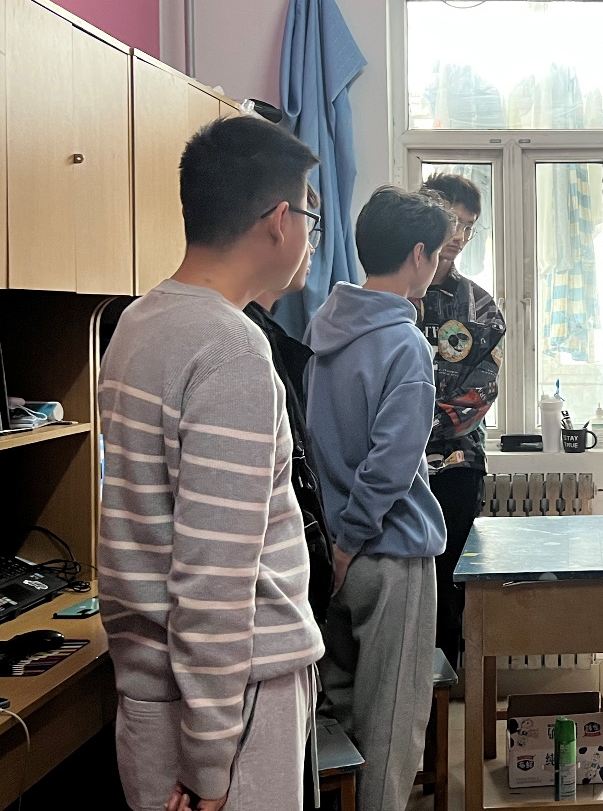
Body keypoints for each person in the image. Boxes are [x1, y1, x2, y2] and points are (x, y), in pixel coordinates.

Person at [98, 115, 325, 811]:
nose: (309, 234)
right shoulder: (232, 349)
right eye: (309, 216)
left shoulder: (139, 321)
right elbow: (215, 576)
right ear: (280, 221)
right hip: (230, 703)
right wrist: (208, 761)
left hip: (157, 691)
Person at [305, 185, 455, 811]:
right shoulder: (405, 344)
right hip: (388, 552)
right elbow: (392, 465)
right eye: (438, 254)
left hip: (333, 553)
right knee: (392, 724)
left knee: (338, 709)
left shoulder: (324, 331)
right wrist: (353, 538)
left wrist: (337, 544)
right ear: (418, 254)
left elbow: (314, 445)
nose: (438, 266)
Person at [411, 173, 505, 672]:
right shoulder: (393, 292)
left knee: (450, 580)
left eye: (469, 227)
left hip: (457, 463)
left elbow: (481, 392)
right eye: (453, 222)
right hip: (391, 464)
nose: (460, 236)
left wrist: (419, 427)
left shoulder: (480, 307)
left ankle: (445, 691)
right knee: (404, 581)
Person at [244, 182, 335, 629]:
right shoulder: (245, 345)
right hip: (265, 611)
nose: (312, 248)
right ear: (280, 223)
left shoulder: (271, 335)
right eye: (310, 227)